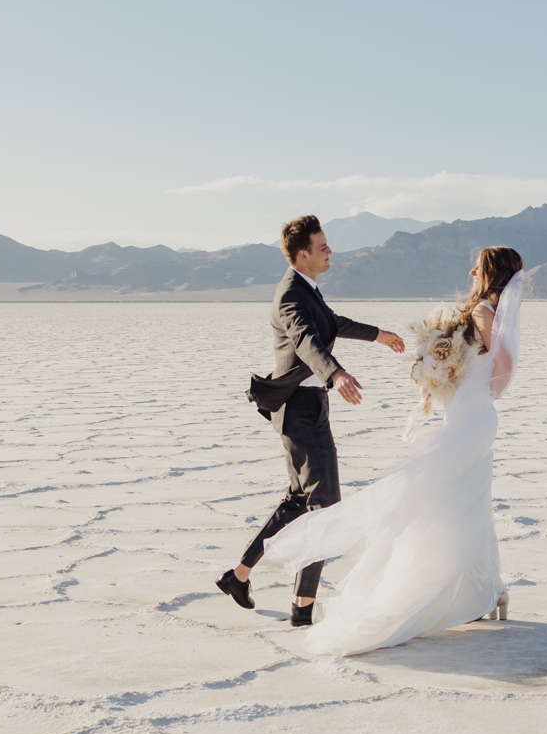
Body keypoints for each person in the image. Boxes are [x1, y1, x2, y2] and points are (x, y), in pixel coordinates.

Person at [257, 245, 527, 657]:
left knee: (441, 501)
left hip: (472, 419)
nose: (471, 268)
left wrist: (462, 382)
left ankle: (475, 591)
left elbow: (503, 368)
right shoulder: (480, 313)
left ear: (490, 272)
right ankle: (488, 591)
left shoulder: (482, 313)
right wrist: (445, 376)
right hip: (468, 418)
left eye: (478, 265)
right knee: (468, 502)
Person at [218, 214, 406, 625]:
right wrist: (335, 374)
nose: (330, 251)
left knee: (301, 501)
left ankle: (238, 576)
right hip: (300, 413)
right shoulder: (290, 295)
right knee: (326, 509)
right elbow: (305, 340)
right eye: (322, 247)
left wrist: (379, 335)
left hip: (305, 410)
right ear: (303, 255)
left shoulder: (307, 289)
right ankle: (302, 608)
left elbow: (331, 324)